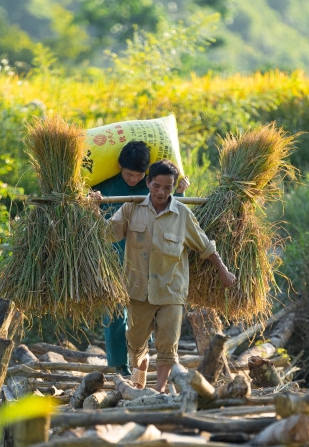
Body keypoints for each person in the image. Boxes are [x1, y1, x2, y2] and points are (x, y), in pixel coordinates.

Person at [96, 159, 236, 393]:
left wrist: (224, 272)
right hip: (138, 290)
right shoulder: (131, 208)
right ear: (148, 182)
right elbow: (108, 233)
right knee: (136, 342)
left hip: (171, 290)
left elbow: (205, 247)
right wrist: (93, 209)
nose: (162, 192)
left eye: (168, 187)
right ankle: (139, 379)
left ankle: (159, 391)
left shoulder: (182, 214)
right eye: (157, 186)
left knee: (167, 345)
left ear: (174, 187)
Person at [94, 141, 187, 375]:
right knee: (115, 316)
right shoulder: (102, 188)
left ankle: (145, 368)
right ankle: (119, 368)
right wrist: (91, 202)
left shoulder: (153, 187)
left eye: (138, 176)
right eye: (128, 174)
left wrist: (181, 192)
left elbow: (177, 212)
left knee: (147, 319)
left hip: (146, 266)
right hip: (112, 262)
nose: (133, 180)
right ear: (119, 167)